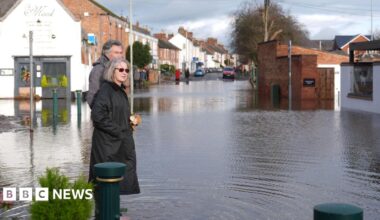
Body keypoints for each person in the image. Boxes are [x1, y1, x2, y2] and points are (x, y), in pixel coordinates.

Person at [89, 58, 140, 195]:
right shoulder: (106, 90)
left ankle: (115, 213)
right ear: (112, 71)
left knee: (118, 182)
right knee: (105, 185)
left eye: (127, 70)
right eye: (121, 70)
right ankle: (105, 214)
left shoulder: (119, 90)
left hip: (118, 143)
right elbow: (98, 116)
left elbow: (116, 112)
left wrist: (130, 120)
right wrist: (119, 131)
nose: (125, 73)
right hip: (108, 146)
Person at [86, 39, 123, 108]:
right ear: (107, 53)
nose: (120, 56)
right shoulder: (99, 70)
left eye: (121, 53)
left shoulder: (115, 68)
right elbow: (92, 97)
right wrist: (102, 116)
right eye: (116, 53)